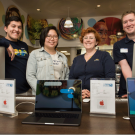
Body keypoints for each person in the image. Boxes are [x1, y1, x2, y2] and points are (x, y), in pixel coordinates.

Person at [69, 27, 115, 99]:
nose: (88, 40)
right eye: (85, 38)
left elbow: (110, 79)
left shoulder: (104, 56)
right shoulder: (77, 59)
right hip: (78, 98)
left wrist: (94, 93)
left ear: (96, 42)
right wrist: (79, 91)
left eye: (91, 38)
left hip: (99, 98)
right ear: (82, 41)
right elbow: (71, 79)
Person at [26, 26, 69, 95]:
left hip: (59, 94)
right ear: (43, 38)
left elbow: (67, 76)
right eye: (48, 36)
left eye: (55, 36)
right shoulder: (34, 54)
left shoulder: (63, 57)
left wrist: (63, 90)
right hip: (41, 94)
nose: (52, 39)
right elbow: (30, 76)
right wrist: (41, 90)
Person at [0, 16, 30, 94]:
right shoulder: (2, 43)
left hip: (25, 90)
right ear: (5, 28)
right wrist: (6, 44)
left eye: (19, 27)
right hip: (7, 92)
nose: (16, 29)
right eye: (13, 26)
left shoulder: (24, 45)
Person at [113, 10, 135, 98]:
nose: (128, 24)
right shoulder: (118, 45)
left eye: (131, 20)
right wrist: (133, 90)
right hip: (128, 90)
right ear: (123, 26)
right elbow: (125, 66)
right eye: (125, 22)